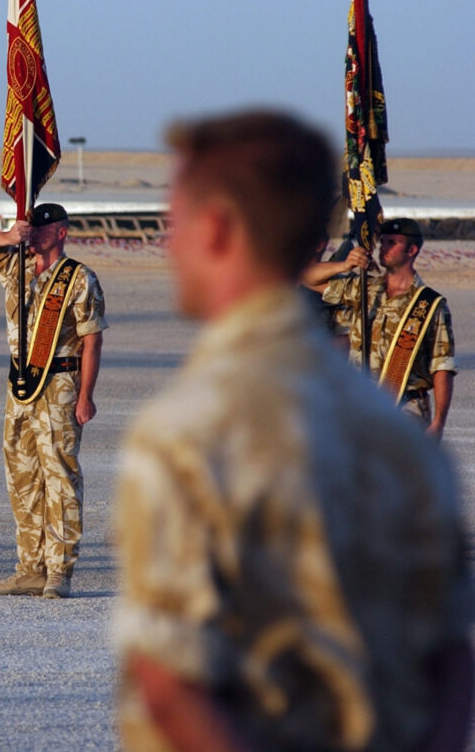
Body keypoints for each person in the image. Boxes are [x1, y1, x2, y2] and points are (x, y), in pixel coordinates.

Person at [115, 110, 473, 751]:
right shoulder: (402, 441)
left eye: (175, 222)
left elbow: (170, 683)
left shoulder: (191, 429)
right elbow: (449, 661)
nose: (168, 245)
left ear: (217, 229)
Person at [0, 204, 107, 599]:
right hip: (20, 386)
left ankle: (59, 571)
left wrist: (86, 396)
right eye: (30, 228)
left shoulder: (79, 278)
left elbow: (92, 340)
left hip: (60, 384)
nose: (33, 234)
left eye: (41, 229)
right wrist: (8, 237)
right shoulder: (16, 265)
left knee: (60, 477)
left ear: (61, 233)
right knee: (22, 477)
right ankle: (30, 569)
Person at [303, 217, 457, 438]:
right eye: (382, 242)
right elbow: (306, 277)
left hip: (405, 408)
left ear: (411, 250)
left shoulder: (429, 305)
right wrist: (345, 265)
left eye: (392, 243)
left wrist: (439, 422)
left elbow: (442, 366)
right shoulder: (364, 290)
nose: (383, 248)